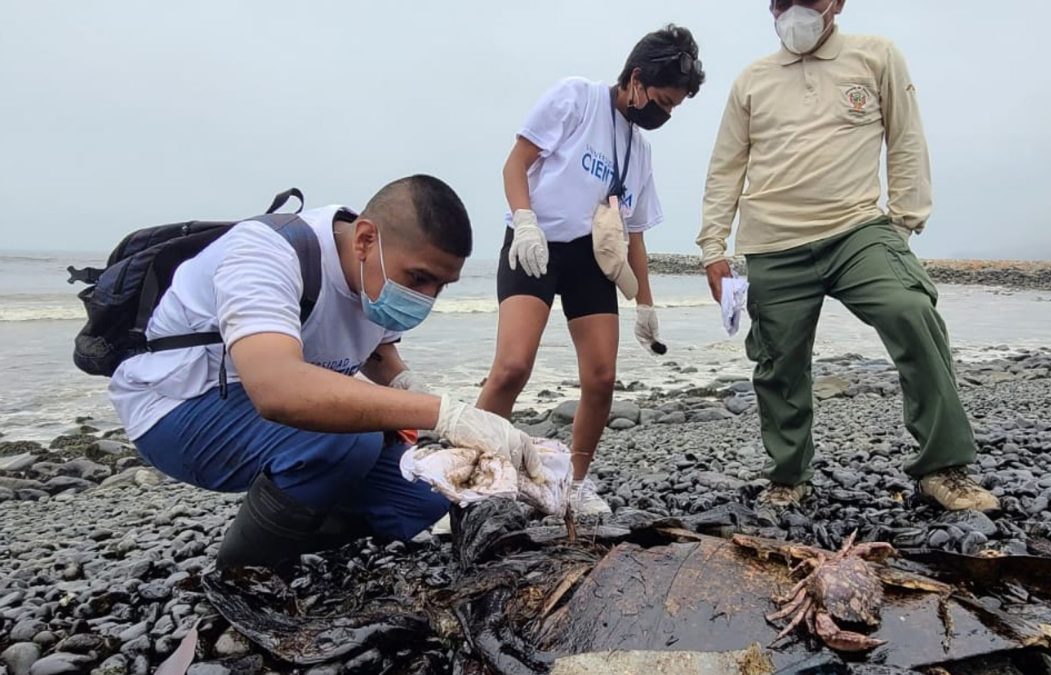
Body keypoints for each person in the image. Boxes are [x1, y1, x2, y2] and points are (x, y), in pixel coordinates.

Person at [108, 176, 546, 569]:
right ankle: (243, 573)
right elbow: (277, 389)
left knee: (433, 489)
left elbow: (378, 352)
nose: (426, 297)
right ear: (365, 240)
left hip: (266, 422)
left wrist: (409, 388)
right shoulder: (268, 251)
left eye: (440, 285)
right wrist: (445, 414)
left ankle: (293, 534)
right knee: (350, 440)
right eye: (418, 279)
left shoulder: (375, 270)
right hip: (175, 408)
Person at [698, 0, 998, 512]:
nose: (794, 11)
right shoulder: (752, 80)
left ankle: (943, 467)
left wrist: (903, 222)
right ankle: (787, 476)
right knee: (778, 362)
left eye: (808, 0)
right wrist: (712, 247)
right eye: (781, 1)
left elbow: (905, 139)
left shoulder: (876, 56)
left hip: (857, 229)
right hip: (772, 243)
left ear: (836, 3)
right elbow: (727, 166)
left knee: (911, 310)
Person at [476, 25, 706, 516]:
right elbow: (515, 164)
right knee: (511, 367)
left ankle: (573, 487)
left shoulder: (639, 150)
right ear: (637, 80)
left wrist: (646, 303)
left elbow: (636, 233)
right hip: (534, 245)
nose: (664, 114)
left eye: (673, 108)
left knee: (601, 379)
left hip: (591, 259)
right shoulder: (576, 98)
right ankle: (467, 473)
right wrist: (525, 222)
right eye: (663, 102)